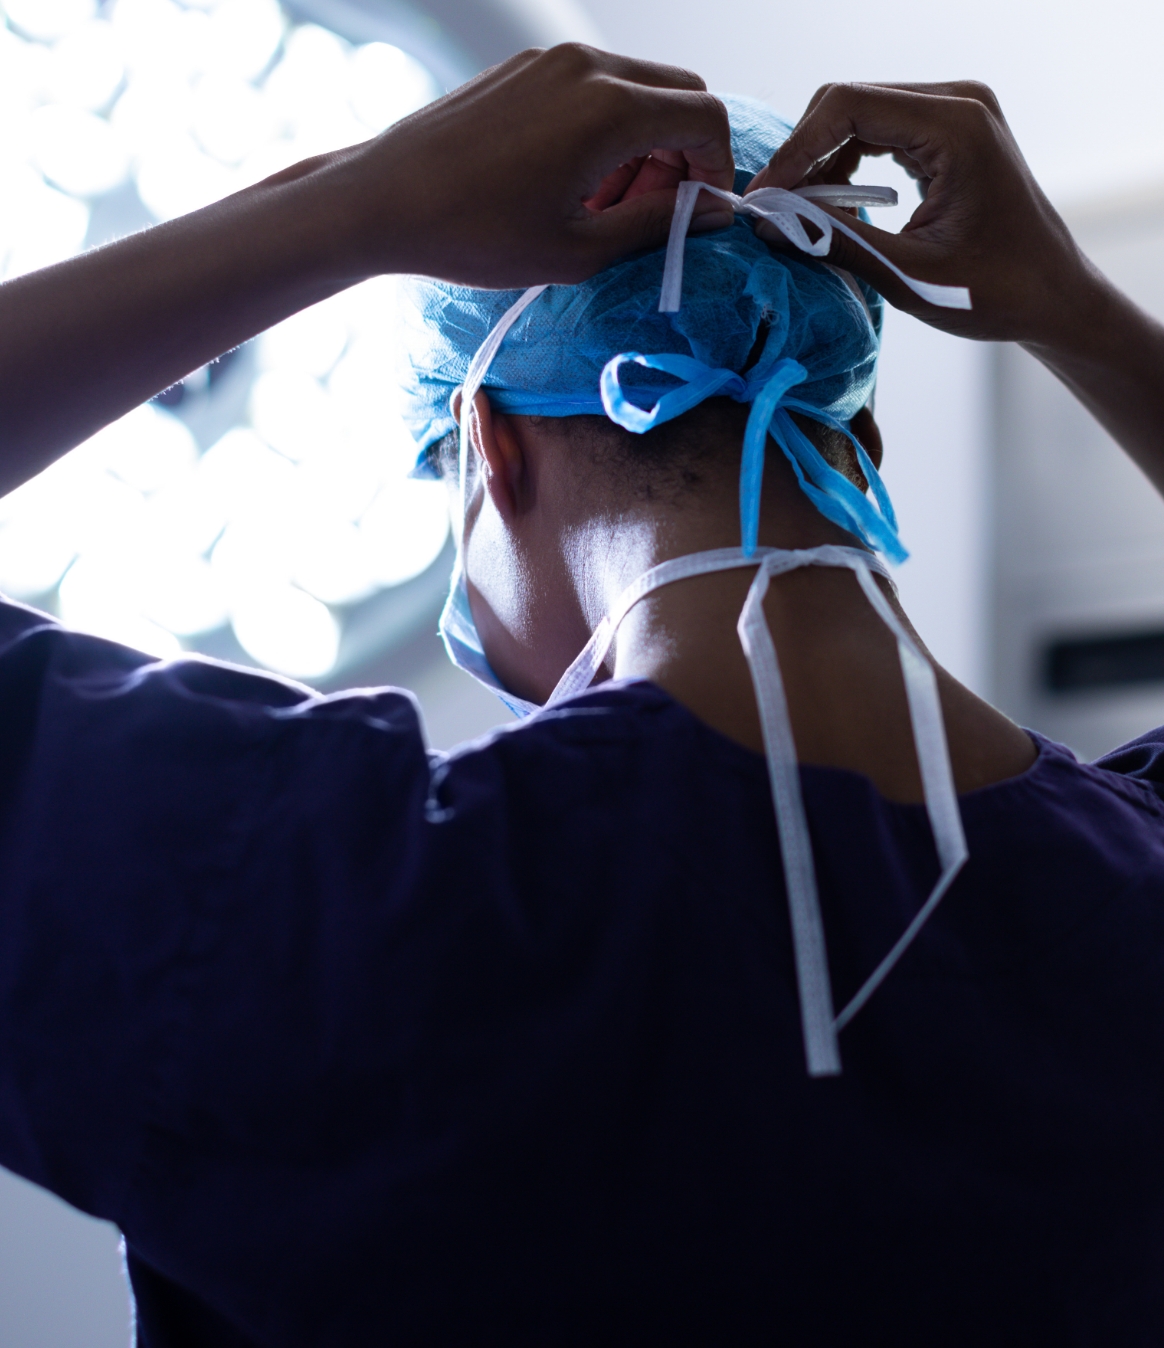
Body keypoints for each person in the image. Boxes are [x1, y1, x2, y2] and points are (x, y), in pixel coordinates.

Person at [2, 45, 1164, 1345]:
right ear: (862, 443)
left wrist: (346, 210)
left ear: (489, 452)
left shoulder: (306, 898)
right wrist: (1073, 306)